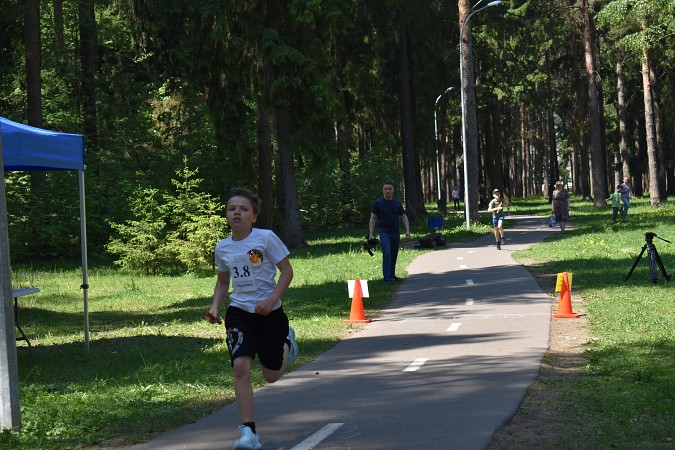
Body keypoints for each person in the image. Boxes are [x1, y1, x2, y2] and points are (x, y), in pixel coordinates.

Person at [207, 187, 298, 450]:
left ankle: (287, 343)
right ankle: (249, 432)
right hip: (240, 313)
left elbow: (287, 272)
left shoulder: (266, 238)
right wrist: (215, 306)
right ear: (226, 215)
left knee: (271, 376)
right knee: (240, 367)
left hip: (270, 313)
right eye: (232, 208)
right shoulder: (222, 247)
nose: (237, 212)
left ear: (254, 216)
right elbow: (223, 282)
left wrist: (271, 301)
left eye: (243, 209)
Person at [369, 181, 411, 284]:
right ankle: (387, 278)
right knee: (387, 253)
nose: (387, 191)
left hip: (395, 233)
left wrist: (407, 231)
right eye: (385, 189)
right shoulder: (378, 203)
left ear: (393, 190)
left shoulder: (397, 203)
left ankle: (392, 275)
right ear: (383, 190)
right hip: (384, 233)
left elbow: (404, 217)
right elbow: (373, 219)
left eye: (389, 189)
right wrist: (371, 234)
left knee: (394, 254)